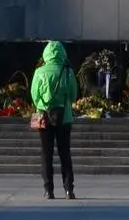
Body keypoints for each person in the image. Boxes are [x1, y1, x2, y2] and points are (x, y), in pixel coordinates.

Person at [31, 40, 78, 200]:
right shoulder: (68, 72)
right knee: (65, 153)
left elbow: (34, 96)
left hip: (44, 117)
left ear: (46, 54)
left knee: (46, 154)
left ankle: (48, 190)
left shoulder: (39, 72)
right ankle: (68, 190)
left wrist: (43, 105)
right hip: (64, 117)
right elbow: (73, 96)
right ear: (63, 53)